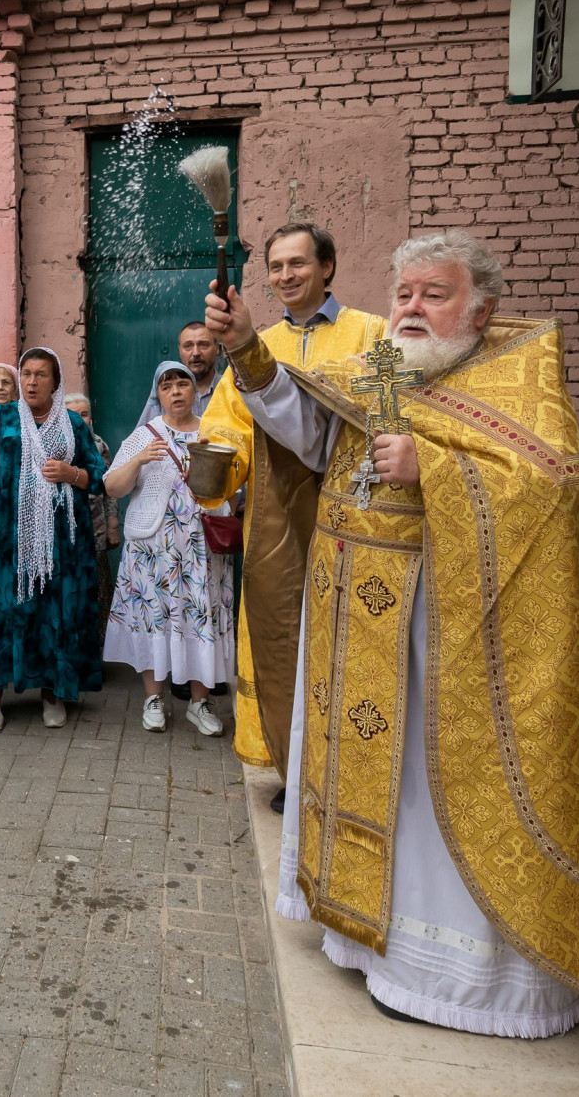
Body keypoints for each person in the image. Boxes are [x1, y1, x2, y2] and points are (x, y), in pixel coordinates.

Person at [202, 230, 579, 1035]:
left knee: (431, 794)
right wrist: (249, 350)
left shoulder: (520, 371)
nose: (411, 308)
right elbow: (315, 436)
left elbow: (557, 494)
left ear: (482, 305)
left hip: (447, 638)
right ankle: (365, 939)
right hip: (354, 625)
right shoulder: (384, 367)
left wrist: (433, 469)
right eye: (404, 293)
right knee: (377, 787)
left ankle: (452, 975)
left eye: (434, 294)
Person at [196, 222, 380, 785]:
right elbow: (228, 426)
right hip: (276, 519)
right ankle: (294, 769)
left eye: (297, 263)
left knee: (352, 642)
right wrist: (208, 472)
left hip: (355, 513)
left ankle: (353, 772)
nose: (285, 276)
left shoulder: (375, 334)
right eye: (275, 266)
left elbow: (393, 416)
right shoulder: (261, 344)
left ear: (327, 267)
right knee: (282, 641)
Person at [0, 347, 106, 731]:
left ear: (56, 382)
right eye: (26, 373)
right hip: (11, 540)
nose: (30, 381)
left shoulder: (73, 425)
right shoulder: (1, 418)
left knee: (55, 612)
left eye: (40, 375)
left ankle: (51, 690)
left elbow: (98, 477)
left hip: (63, 542)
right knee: (5, 610)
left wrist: (69, 473)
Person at [103, 362, 235, 736]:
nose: (175, 391)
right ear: (157, 395)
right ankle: (153, 697)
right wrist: (140, 459)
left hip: (201, 551)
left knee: (201, 618)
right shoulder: (145, 435)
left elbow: (234, 487)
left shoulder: (214, 432)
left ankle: (199, 702)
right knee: (154, 617)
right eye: (167, 386)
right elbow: (112, 486)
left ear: (195, 391)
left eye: (182, 384)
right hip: (154, 552)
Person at [64, 393, 122, 650]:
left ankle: (96, 653)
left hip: (95, 533)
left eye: (84, 413)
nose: (80, 419)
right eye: (73, 413)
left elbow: (109, 489)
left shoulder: (99, 445)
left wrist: (112, 525)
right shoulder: (56, 444)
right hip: (63, 534)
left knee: (97, 593)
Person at [137, 322, 222, 426]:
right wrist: (148, 443)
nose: (196, 353)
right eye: (188, 346)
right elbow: (141, 434)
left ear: (217, 348)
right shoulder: (166, 391)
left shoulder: (231, 388)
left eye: (203, 345)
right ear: (180, 350)